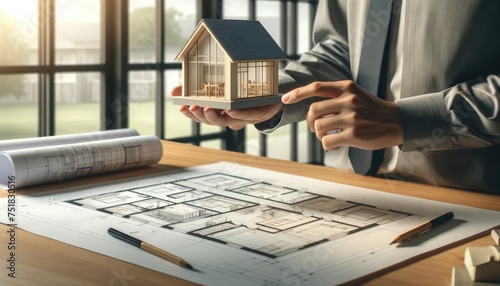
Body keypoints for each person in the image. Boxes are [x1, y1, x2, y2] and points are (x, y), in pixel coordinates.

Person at [171, 0, 500, 194]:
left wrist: (412, 120)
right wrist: (274, 94)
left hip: (471, 199)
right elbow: (342, 47)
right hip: (344, 188)